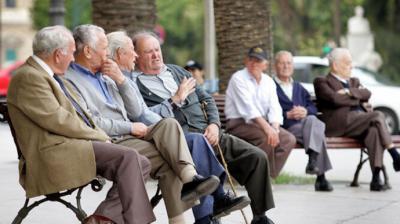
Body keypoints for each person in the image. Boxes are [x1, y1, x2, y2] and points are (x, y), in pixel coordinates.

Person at [63, 24, 222, 224]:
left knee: (169, 127)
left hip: (129, 138)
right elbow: (92, 123)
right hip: (108, 142)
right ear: (88, 51)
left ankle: (190, 179)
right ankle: (183, 208)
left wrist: (121, 80)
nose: (107, 55)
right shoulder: (71, 80)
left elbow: (136, 110)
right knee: (169, 157)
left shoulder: (107, 75)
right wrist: (130, 127)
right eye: (104, 49)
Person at [6, 25, 155, 224]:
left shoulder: (48, 76)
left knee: (140, 162)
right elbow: (60, 121)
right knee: (129, 158)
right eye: (71, 53)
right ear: (58, 54)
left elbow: (79, 117)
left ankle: (102, 220)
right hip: (52, 155)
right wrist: (102, 137)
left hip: (70, 146)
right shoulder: (29, 77)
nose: (73, 58)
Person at [131, 31, 276, 224]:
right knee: (198, 151)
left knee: (257, 157)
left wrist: (215, 125)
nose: (156, 55)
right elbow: (145, 117)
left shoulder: (178, 72)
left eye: (157, 49)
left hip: (211, 134)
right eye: (149, 52)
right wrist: (175, 99)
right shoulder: (135, 85)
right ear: (137, 56)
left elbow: (206, 98)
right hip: (182, 144)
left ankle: (260, 216)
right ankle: (208, 216)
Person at [313, 48, 400, 191]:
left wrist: (348, 92)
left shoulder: (354, 81)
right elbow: (334, 99)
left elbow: (367, 93)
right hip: (339, 124)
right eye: (347, 63)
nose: (351, 66)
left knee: (373, 131)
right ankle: (394, 154)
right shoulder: (322, 81)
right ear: (335, 65)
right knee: (377, 115)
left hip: (359, 123)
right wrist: (356, 98)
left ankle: (376, 179)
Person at [224, 46, 296, 179]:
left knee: (288, 139)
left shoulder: (268, 81)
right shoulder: (238, 78)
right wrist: (268, 129)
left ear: (265, 65)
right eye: (251, 59)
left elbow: (275, 107)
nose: (254, 63)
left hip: (260, 123)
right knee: (265, 137)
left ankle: (268, 177)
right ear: (246, 61)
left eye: (258, 61)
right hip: (238, 123)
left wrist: (274, 127)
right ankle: (252, 177)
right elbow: (248, 109)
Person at [273, 50, 333, 192]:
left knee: (313, 121)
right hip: (285, 128)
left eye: (289, 63)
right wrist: (286, 115)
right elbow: (265, 109)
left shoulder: (299, 87)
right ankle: (321, 178)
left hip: (305, 126)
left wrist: (306, 111)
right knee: (317, 130)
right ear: (275, 66)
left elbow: (311, 106)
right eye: (282, 63)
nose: (286, 66)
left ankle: (313, 161)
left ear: (293, 66)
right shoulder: (270, 86)